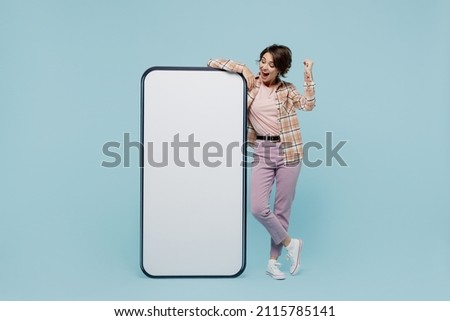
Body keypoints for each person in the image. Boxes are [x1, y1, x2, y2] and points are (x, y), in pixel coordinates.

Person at [208, 44, 315, 280]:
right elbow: (214, 61)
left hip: (289, 150)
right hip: (263, 151)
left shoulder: (287, 90)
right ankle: (291, 244)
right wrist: (244, 68)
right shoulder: (251, 83)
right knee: (258, 207)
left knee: (281, 209)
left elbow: (308, 105)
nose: (265, 67)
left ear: (281, 69)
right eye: (262, 61)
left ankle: (273, 263)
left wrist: (308, 73)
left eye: (271, 64)